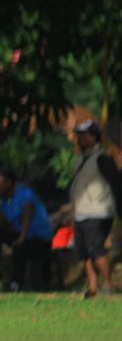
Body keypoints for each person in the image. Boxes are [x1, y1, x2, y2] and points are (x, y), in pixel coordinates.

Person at [64, 120, 117, 297]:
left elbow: (116, 184)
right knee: (84, 251)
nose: (79, 139)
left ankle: (107, 284)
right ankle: (92, 284)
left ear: (93, 137)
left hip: (99, 210)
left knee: (96, 248)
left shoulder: (102, 158)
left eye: (83, 135)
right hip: (81, 212)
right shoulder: (79, 159)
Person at [0, 167, 53, 293]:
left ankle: (16, 284)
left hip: (38, 236)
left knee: (19, 248)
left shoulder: (24, 193)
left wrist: (21, 238)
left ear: (9, 183)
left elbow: (27, 216)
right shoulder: (3, 201)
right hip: (20, 234)